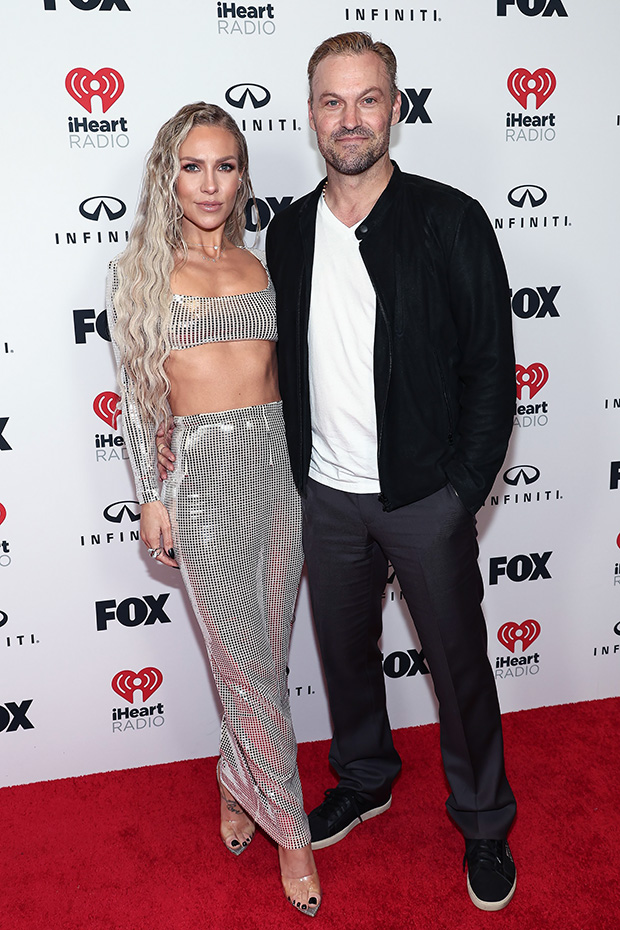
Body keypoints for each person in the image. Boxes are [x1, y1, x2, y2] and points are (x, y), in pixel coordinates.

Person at [159, 33, 518, 912]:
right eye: (332, 101)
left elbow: (492, 370)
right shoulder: (286, 235)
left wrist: (461, 492)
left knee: (458, 665)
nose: (350, 119)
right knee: (346, 661)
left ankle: (483, 822)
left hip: (424, 496)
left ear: (395, 107)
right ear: (312, 114)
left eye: (367, 99)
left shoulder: (451, 219)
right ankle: (364, 777)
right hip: (320, 495)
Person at [107, 102, 320, 918]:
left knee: (263, 657)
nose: (209, 184)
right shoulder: (138, 276)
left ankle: (236, 780)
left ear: (242, 178)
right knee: (246, 664)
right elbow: (137, 402)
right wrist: (149, 494)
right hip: (199, 479)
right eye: (192, 167)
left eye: (224, 167)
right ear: (168, 176)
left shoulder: (264, 267)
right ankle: (292, 834)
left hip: (279, 472)